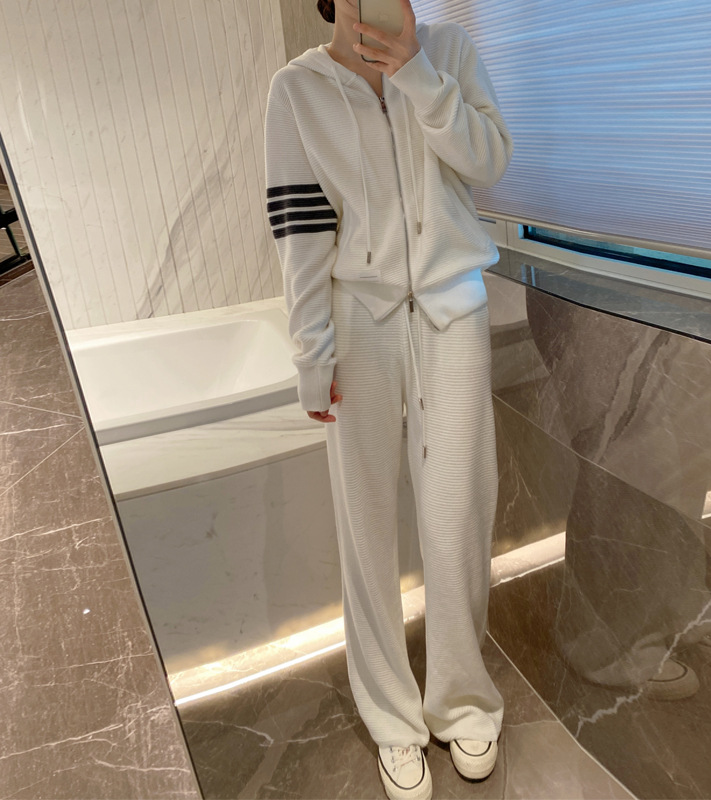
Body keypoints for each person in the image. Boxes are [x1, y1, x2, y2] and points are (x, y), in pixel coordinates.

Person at [265, 1, 513, 797]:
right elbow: (301, 231)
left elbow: (489, 161)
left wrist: (416, 72)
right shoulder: (297, 89)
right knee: (365, 524)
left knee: (457, 514)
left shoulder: (448, 51)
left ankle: (463, 701)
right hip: (358, 321)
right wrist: (312, 351)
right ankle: (392, 719)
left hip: (452, 309)